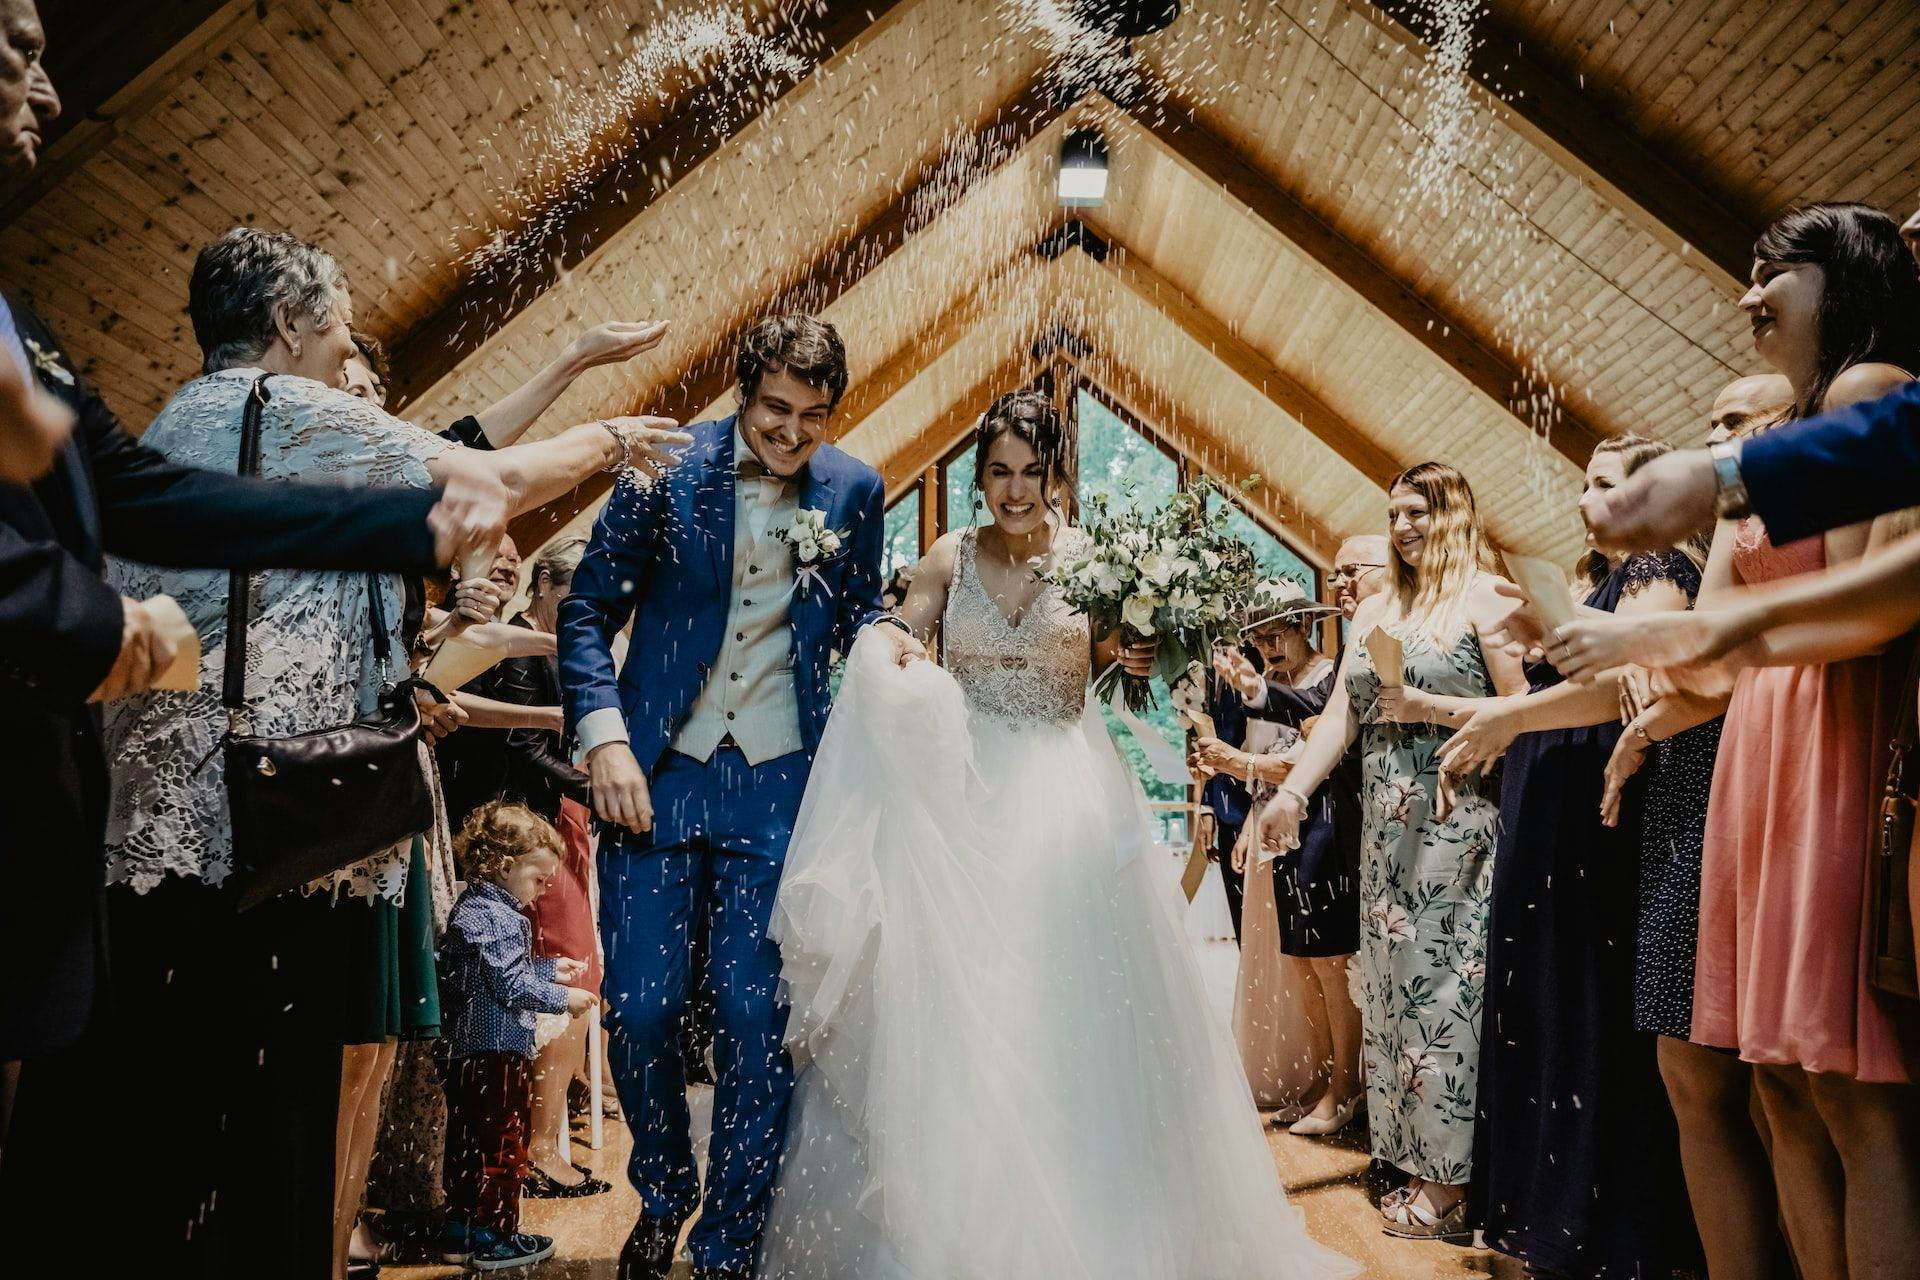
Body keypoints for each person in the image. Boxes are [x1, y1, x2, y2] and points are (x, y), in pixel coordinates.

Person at [82, 226, 677, 1280]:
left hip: (162, 817)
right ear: (289, 324)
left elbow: (434, 436)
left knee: (169, 1104)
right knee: (281, 1107)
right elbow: (486, 476)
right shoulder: (291, 410)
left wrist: (575, 361)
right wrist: (614, 439)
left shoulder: (182, 415)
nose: (345, 352)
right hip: (274, 817)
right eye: (341, 329)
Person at [757, 389, 1355, 1280]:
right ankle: (947, 1216)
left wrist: (1137, 650)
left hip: (1061, 796)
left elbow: (1128, 656)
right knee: (955, 1000)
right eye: (997, 472)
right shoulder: (949, 557)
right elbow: (897, 627)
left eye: (1032, 473)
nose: (1014, 490)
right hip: (957, 798)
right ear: (977, 478)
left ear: (1058, 476)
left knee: (1060, 998)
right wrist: (893, 649)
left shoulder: (1094, 563)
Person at [559, 315, 924, 1280]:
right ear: (741, 392)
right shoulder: (663, 469)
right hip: (656, 777)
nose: (792, 432)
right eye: (775, 409)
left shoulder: (854, 488)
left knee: (757, 1021)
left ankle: (728, 1244)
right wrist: (603, 738)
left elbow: (853, 611)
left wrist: (888, 637)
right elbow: (587, 607)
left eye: (813, 415)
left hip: (780, 790)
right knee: (640, 1008)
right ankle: (665, 1191)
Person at [1617, 202, 1920, 1280]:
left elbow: (1873, 602)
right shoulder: (1789, 425)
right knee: (1781, 1083)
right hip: (1763, 745)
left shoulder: (1869, 393)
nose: (1748, 294)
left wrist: (1740, 630)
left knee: (1852, 1089)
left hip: (1831, 734)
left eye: (1773, 271)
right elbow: (1708, 626)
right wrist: (1626, 647)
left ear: (1842, 278)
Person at [1436, 434, 1704, 1277]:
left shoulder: (1656, 568)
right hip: (1549, 819)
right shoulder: (1588, 584)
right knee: (1544, 1015)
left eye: (1616, 481)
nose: (1594, 496)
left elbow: (1623, 680)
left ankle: (1600, 1228)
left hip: (1595, 825)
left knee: (1588, 1018)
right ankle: (1549, 1214)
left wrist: (1509, 717)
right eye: (1587, 481)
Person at [1259, 461, 1528, 1240]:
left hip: (1459, 818)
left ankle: (1451, 1187)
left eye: (1418, 511)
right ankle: (1406, 1158)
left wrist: (1429, 707)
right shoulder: (1379, 607)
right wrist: (1291, 794)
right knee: (1390, 998)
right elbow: (1344, 714)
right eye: (1394, 513)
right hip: (1385, 827)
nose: (1403, 526)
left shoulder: (1486, 596)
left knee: (1449, 997)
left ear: (1455, 514)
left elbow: (1523, 711)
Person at [1582, 205, 1920, 554]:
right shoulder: (1776, 428)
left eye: (1772, 275)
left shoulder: (1865, 386)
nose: (1745, 301)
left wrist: (1711, 477)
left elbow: (1869, 595)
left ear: (1844, 276)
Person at [1199, 583, 1361, 1135]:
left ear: (1304, 627)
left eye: (1276, 633)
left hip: (1326, 826)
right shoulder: (1272, 686)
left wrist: (1236, 763)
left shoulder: (1328, 678)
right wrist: (1247, 825)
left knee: (1331, 965)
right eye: (1258, 636)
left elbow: (1304, 757)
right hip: (1279, 831)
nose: (1267, 645)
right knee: (1300, 964)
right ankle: (1320, 1082)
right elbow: (1269, 763)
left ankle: (1346, 1087)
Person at [437, 801, 595, 1270]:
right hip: (494, 1052)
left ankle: (460, 1228)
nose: (545, 889)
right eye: (538, 878)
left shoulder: (478, 907)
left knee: (467, 1142)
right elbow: (510, 985)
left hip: (464, 1053)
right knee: (506, 1144)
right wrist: (561, 997)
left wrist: (550, 968)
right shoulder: (499, 917)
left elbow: (502, 971)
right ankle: (496, 1236)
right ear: (505, 866)